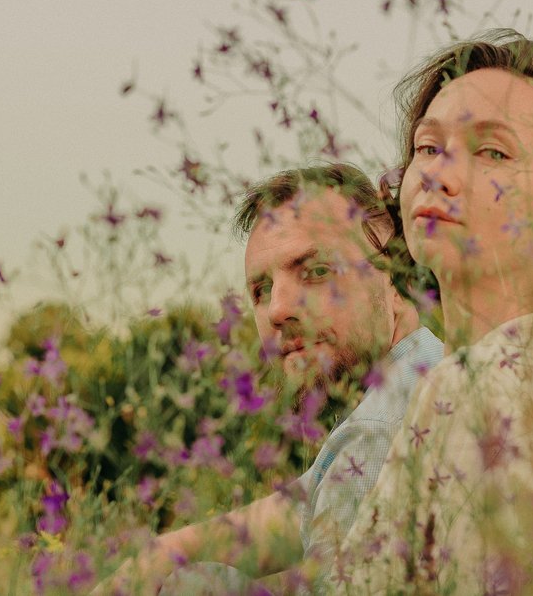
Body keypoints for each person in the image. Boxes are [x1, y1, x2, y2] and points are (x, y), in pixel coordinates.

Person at [325, 31, 533, 593]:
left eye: (493, 152)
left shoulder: (498, 391)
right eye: (427, 147)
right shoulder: (503, 377)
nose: (439, 173)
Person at [96, 163, 443, 594]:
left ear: (397, 278)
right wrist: (160, 553)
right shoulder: (424, 370)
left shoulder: (381, 430)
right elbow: (303, 505)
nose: (277, 310)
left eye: (316, 271)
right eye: (261, 290)